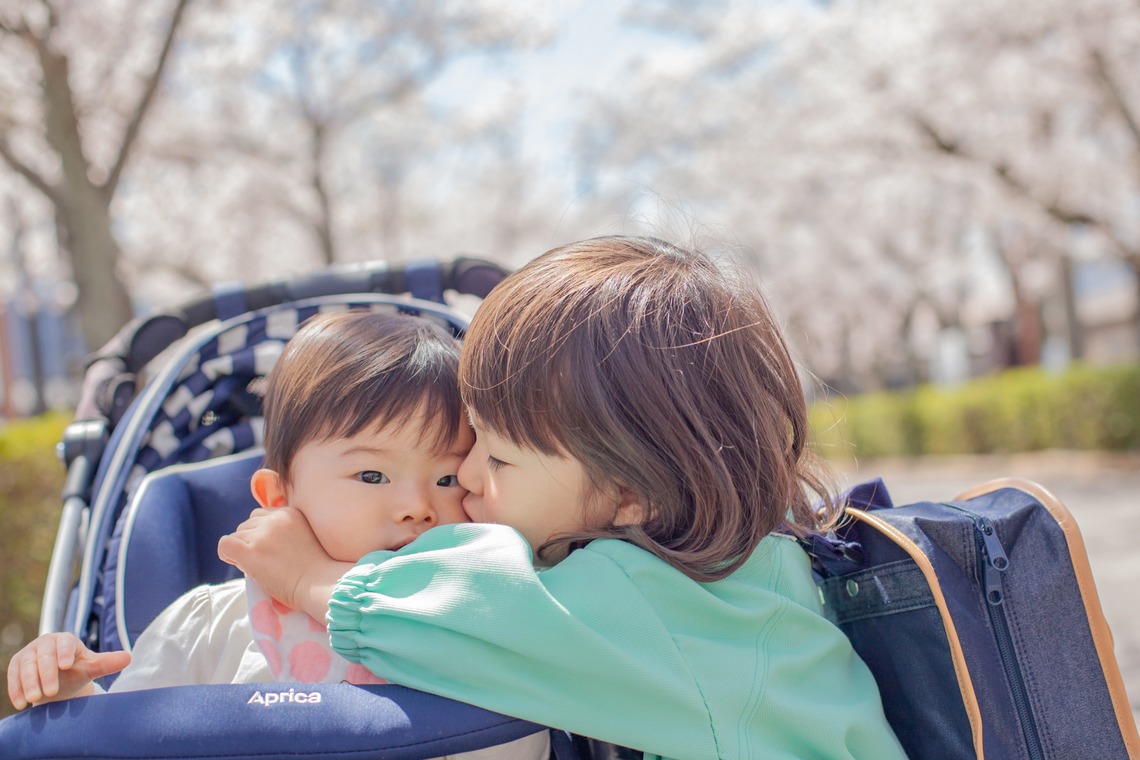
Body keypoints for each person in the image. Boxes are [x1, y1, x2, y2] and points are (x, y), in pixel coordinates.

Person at [219, 236, 909, 760]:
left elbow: (471, 615)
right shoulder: (736, 571)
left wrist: (310, 576)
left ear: (629, 492)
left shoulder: (651, 604)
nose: (466, 475)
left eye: (497, 456)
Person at [7, 310, 551, 760]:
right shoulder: (207, 625)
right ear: (278, 498)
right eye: (371, 476)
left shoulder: (490, 626)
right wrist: (71, 696)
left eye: (448, 477)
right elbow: (124, 740)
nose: (416, 507)